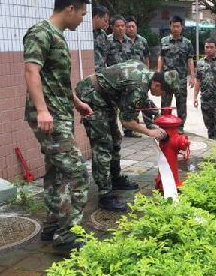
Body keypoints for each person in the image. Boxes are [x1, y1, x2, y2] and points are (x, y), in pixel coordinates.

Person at [23, 0, 92, 254]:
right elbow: (31, 71)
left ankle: (53, 225)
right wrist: (42, 110)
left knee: (55, 173)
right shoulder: (40, 33)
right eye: (82, 14)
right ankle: (67, 236)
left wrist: (77, 103)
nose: (82, 20)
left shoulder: (58, 36)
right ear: (70, 9)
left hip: (60, 114)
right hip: (49, 118)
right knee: (78, 174)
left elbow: (58, 81)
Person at [75, 61, 178, 211]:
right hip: (91, 95)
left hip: (105, 98)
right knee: (103, 145)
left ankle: (115, 179)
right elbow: (127, 121)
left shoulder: (145, 76)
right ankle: (105, 195)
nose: (161, 95)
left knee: (115, 139)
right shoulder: (138, 86)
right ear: (156, 84)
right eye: (163, 92)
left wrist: (153, 121)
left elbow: (139, 101)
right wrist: (149, 132)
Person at [157, 15, 195, 128]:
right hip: (166, 78)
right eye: (173, 26)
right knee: (165, 104)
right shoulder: (164, 41)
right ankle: (164, 126)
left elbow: (190, 60)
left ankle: (180, 127)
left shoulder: (187, 43)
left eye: (178, 26)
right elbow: (161, 57)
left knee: (181, 105)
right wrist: (158, 73)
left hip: (181, 79)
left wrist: (192, 76)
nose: (175, 29)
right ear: (170, 26)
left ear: (181, 27)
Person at [194, 37, 216, 142]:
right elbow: (198, 80)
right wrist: (195, 97)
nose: (209, 49)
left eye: (211, 47)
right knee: (209, 125)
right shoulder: (200, 63)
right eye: (207, 47)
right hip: (205, 99)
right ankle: (212, 146)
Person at [92, 5, 109, 69]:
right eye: (105, 20)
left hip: (101, 70)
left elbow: (105, 53)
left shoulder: (103, 34)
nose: (106, 24)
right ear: (97, 17)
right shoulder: (85, 33)